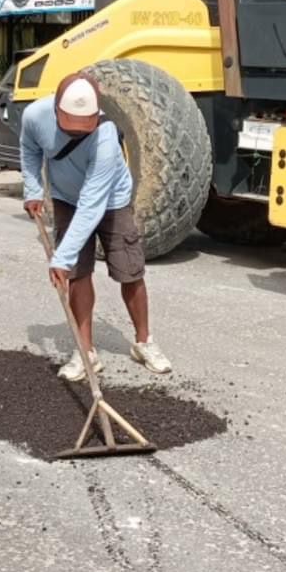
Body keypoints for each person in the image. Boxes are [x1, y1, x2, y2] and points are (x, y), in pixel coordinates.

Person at [20, 72, 172, 381]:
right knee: (78, 273)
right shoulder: (35, 115)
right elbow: (30, 149)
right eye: (69, 131)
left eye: (82, 132)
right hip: (65, 197)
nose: (76, 137)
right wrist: (33, 189)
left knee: (130, 270)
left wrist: (61, 257)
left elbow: (92, 202)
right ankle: (85, 351)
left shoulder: (105, 135)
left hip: (111, 199)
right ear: (57, 112)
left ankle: (144, 342)